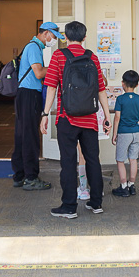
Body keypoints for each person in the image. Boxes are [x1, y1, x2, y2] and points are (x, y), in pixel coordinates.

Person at [40, 20, 111, 218]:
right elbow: (101, 89)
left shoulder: (58, 56)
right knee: (93, 161)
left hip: (66, 118)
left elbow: (52, 87)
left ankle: (69, 207)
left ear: (66, 37)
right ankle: (96, 203)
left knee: (68, 163)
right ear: (85, 37)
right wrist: (106, 116)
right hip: (89, 119)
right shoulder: (93, 58)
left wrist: (45, 114)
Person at [11, 21, 62, 191]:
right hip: (29, 95)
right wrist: (56, 66)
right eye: (54, 37)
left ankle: (20, 175)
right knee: (30, 136)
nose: (53, 40)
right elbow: (38, 72)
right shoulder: (33, 47)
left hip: (25, 95)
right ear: (46, 33)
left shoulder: (35, 47)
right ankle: (31, 178)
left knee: (22, 135)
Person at [110, 70, 139, 198]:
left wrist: (114, 134)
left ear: (123, 84)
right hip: (136, 132)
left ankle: (123, 186)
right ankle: (132, 185)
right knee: (133, 159)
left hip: (124, 133)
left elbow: (117, 117)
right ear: (137, 84)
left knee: (120, 160)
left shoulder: (120, 99)